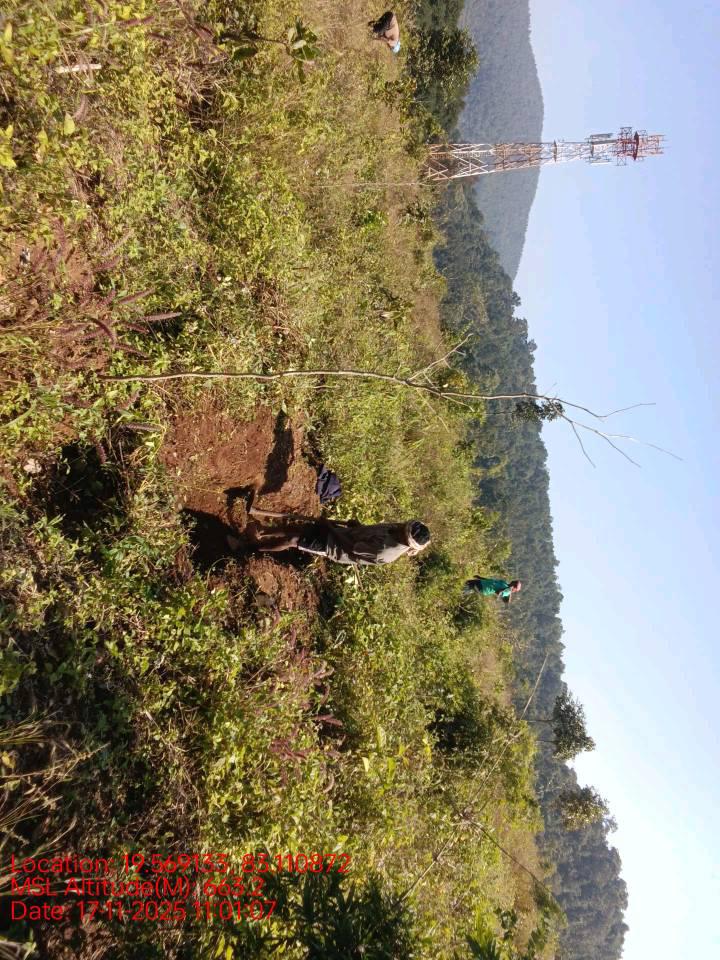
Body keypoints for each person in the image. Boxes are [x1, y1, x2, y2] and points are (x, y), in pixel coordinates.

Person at [237, 515, 430, 566]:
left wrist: (328, 527)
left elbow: (351, 547)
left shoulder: (385, 552)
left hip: (334, 546)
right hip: (340, 533)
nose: (401, 526)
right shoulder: (396, 529)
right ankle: (262, 532)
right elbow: (368, 534)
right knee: (298, 529)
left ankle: (251, 548)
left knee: (293, 539)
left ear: (406, 540)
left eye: (404, 529)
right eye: (405, 525)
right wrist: (358, 526)